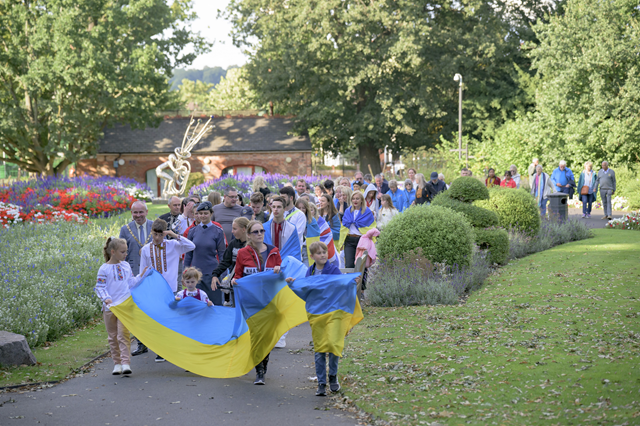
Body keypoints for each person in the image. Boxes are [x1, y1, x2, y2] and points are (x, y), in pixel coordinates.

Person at [284, 241, 360, 396]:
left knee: (333, 344)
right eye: (319, 253)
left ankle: (333, 377)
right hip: (316, 314)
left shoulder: (332, 270)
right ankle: (321, 382)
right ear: (312, 256)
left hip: (333, 313)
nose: (323, 255)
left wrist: (351, 282)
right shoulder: (310, 273)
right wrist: (293, 283)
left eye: (324, 252)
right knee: (319, 348)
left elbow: (342, 284)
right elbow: (305, 290)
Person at [232, 220, 282, 385]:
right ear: (248, 235)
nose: (259, 234)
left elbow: (282, 276)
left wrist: (279, 271)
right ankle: (259, 371)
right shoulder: (242, 253)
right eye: (255, 232)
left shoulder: (274, 252)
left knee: (266, 336)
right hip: (251, 302)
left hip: (269, 301)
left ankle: (263, 364)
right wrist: (235, 281)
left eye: (261, 231)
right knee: (255, 336)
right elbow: (238, 275)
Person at [95, 237, 148, 376]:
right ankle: (117, 363)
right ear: (113, 252)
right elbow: (99, 286)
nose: (126, 254)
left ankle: (125, 363)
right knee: (112, 336)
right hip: (110, 308)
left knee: (123, 335)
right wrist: (106, 298)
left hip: (125, 306)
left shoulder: (125, 266)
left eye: (126, 251)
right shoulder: (104, 268)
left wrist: (141, 276)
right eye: (123, 252)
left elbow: (130, 282)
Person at [185, 202, 227, 305]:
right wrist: (186, 270)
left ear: (211, 213)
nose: (203, 216)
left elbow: (222, 254)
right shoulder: (192, 231)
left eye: (206, 213)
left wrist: (222, 274)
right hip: (195, 275)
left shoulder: (218, 231)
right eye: (200, 213)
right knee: (196, 304)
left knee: (214, 303)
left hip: (212, 274)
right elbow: (188, 254)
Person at [211, 217, 250, 304]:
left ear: (243, 229)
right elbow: (226, 261)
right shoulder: (233, 243)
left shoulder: (253, 244)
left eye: (235, 229)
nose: (232, 231)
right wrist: (215, 274)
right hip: (235, 283)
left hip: (249, 283)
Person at [119, 201, 153, 276]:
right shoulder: (125, 229)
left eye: (141, 212)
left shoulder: (155, 226)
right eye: (135, 212)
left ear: (146, 212)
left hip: (153, 271)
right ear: (131, 212)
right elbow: (120, 253)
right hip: (132, 272)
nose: (138, 215)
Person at [342, 191, 374, 269]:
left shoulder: (367, 212)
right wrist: (341, 241)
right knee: (349, 265)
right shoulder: (348, 211)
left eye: (357, 199)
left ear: (362, 200)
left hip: (362, 240)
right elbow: (343, 227)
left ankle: (362, 281)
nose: (355, 201)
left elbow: (372, 226)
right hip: (349, 240)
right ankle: (351, 281)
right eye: (353, 199)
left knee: (362, 265)